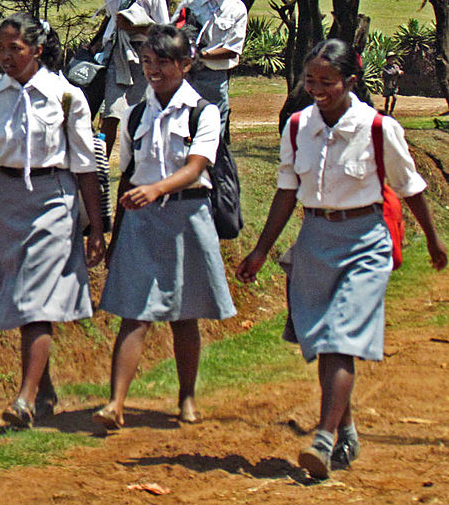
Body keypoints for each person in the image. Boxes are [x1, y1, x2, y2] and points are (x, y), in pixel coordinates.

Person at [235, 39, 447, 480]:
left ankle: (323, 438)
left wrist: (433, 239)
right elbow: (287, 191)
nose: (316, 89)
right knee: (323, 341)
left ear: (350, 81)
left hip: (366, 240)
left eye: (327, 82)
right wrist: (260, 249)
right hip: (315, 240)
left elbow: (410, 188)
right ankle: (345, 427)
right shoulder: (297, 126)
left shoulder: (378, 128)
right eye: (310, 80)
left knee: (341, 337)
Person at [93, 26, 236, 430]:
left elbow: (196, 167)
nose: (153, 70)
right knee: (135, 313)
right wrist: (116, 233)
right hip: (142, 220)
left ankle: (187, 397)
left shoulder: (203, 112)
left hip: (187, 216)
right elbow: (128, 175)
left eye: (163, 62)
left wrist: (156, 189)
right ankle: (115, 404)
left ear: (186, 65)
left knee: (184, 314)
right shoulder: (136, 114)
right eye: (147, 62)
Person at [0, 13, 106, 428]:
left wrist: (96, 227)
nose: (5, 57)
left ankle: (24, 400)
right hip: (9, 201)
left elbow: (86, 167)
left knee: (36, 300)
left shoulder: (66, 96)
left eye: (15, 48)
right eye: (0, 48)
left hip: (55, 198)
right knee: (22, 297)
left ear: (37, 50)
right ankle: (44, 392)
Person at [98, 0, 170, 155]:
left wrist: (137, 28)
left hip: (142, 58)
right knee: (110, 114)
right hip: (116, 53)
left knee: (139, 115)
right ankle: (101, 163)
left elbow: (163, 30)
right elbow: (110, 17)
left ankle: (137, 163)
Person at [172, 0, 247, 139]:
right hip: (185, 73)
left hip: (214, 77)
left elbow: (232, 49)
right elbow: (173, 28)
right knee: (179, 124)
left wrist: (200, 55)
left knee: (211, 129)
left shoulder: (237, 9)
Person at [381, 52, 403, 116]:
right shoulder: (385, 68)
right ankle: (386, 111)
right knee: (387, 99)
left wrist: (400, 74)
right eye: (391, 59)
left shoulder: (396, 66)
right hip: (388, 85)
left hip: (394, 85)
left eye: (393, 58)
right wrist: (397, 72)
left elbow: (398, 75)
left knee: (395, 97)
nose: (392, 60)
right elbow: (389, 74)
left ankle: (391, 111)